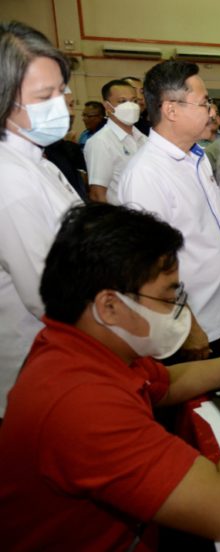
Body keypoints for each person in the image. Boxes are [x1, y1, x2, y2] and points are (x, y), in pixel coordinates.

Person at [0, 202, 220, 550]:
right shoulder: (79, 402)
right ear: (109, 306)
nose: (176, 309)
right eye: (167, 296)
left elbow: (164, 384)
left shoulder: (82, 345)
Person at [117, 60, 220, 360]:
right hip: (192, 331)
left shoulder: (195, 159)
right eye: (205, 103)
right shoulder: (146, 174)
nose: (212, 111)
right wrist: (186, 325)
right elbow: (148, 268)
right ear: (171, 110)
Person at [0, 21, 82, 417]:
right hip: (31, 371)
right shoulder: (10, 180)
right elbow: (48, 297)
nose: (61, 103)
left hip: (60, 362)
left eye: (61, 90)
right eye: (43, 95)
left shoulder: (36, 157)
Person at [84, 79, 148, 203]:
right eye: (122, 101)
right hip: (121, 218)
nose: (130, 106)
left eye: (134, 101)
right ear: (107, 106)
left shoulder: (144, 139)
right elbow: (97, 194)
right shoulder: (101, 142)